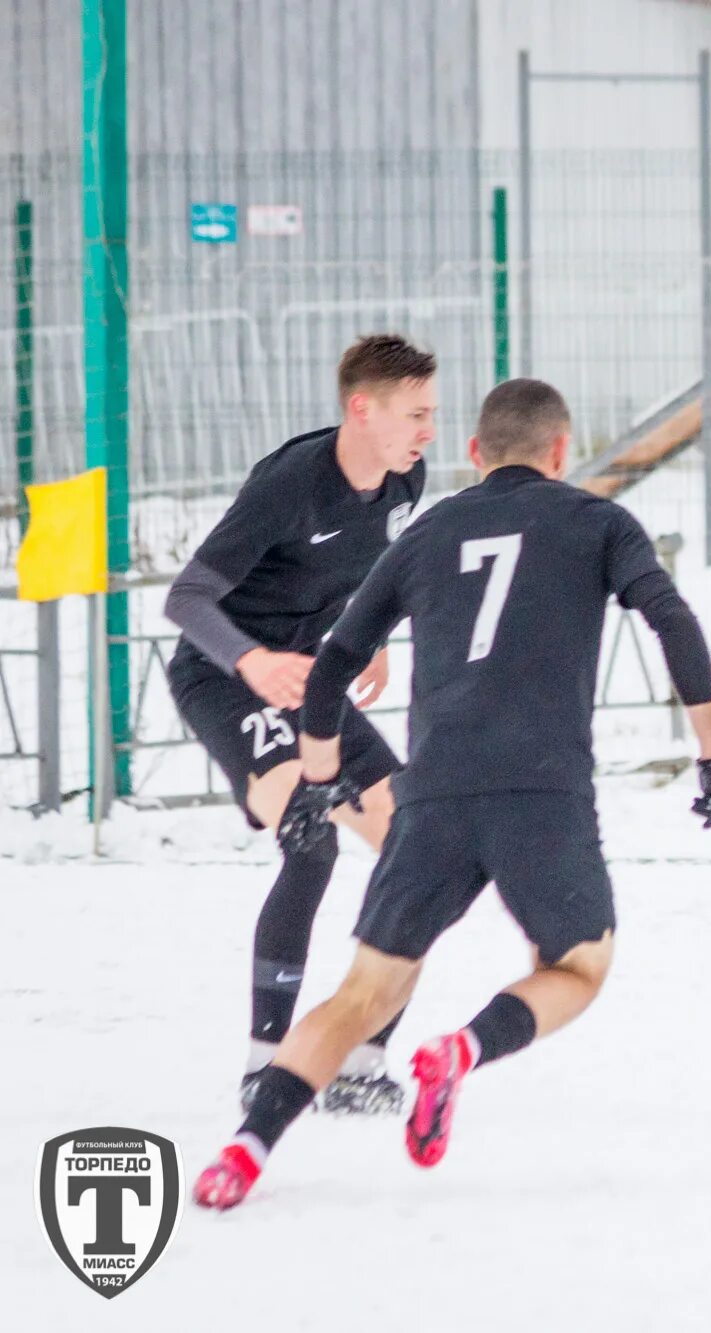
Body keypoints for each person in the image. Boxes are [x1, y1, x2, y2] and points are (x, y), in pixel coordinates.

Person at [191, 378, 711, 1210]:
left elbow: (335, 663)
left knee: (361, 992)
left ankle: (244, 1149)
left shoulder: (431, 529)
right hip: (541, 793)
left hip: (432, 794)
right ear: (562, 453)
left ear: (476, 455)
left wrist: (318, 769)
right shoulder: (597, 521)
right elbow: (671, 617)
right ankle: (461, 1051)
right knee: (578, 966)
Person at [164, 333, 434, 1115]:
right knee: (310, 840)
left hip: (309, 679)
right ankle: (264, 1066)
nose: (428, 431)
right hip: (225, 677)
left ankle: (360, 1063)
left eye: (431, 413)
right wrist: (252, 663)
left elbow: (377, 568)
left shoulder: (404, 480)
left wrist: (371, 634)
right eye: (415, 413)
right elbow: (185, 599)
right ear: (362, 408)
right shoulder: (290, 484)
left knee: (417, 848)